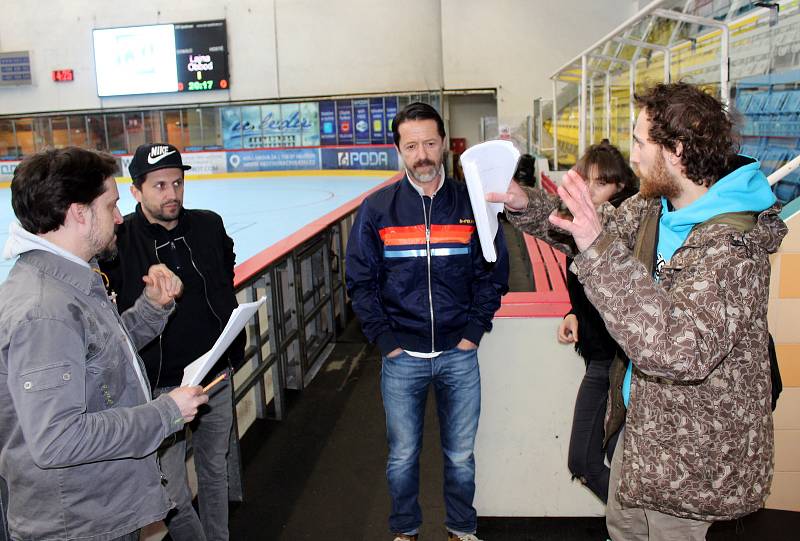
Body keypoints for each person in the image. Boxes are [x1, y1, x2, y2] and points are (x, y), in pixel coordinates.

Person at [489, 82, 786, 540]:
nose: (635, 155)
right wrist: (524, 203)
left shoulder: (732, 246)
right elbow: (592, 229)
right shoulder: (655, 207)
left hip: (696, 465)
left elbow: (677, 350)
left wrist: (597, 249)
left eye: (641, 142)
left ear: (678, 150)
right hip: (642, 431)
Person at [0, 147, 208, 541]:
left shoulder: (67, 283)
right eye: (111, 205)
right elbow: (58, 438)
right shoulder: (46, 308)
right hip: (78, 523)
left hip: (98, 508)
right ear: (79, 213)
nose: (118, 218)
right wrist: (164, 413)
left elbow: (95, 354)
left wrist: (151, 310)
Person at [345, 102, 509, 541]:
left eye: (431, 144)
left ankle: (461, 528)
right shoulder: (377, 209)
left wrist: (473, 332)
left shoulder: (471, 205)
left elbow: (493, 271)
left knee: (459, 457)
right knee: (402, 456)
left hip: (459, 354)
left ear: (444, 145)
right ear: (399, 149)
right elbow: (361, 282)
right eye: (412, 145)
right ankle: (405, 529)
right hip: (402, 359)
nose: (422, 154)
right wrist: (386, 340)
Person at [101, 143, 244, 541]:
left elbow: (225, 270)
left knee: (215, 470)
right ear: (136, 191)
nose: (172, 194)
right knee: (172, 490)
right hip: (159, 388)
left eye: (177, 183)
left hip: (214, 375)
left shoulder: (209, 224)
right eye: (160, 185)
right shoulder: (119, 242)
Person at [556, 140, 638, 504]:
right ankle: (631, 527)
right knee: (585, 460)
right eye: (585, 182)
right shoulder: (584, 229)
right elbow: (587, 287)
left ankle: (631, 527)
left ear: (620, 188)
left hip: (619, 362)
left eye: (601, 184)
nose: (591, 192)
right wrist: (572, 311)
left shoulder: (623, 231)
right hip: (599, 358)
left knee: (599, 460)